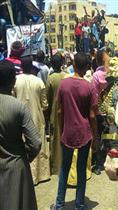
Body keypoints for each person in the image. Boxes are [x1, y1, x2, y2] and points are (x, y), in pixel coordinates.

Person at [51, 53, 97, 210]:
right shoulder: (89, 86)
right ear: (86, 68)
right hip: (84, 133)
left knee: (64, 167)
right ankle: (80, 204)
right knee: (81, 169)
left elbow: (59, 112)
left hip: (68, 132)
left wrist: (61, 128)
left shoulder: (64, 84)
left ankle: (59, 204)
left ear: (74, 65)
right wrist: (95, 136)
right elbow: (92, 115)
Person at [0, 60, 41, 210]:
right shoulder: (18, 107)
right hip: (17, 167)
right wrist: (24, 157)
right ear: (13, 80)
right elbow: (35, 143)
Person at [14, 55, 50, 185]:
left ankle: (26, 175)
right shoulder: (39, 82)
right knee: (38, 144)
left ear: (22, 67)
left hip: (19, 119)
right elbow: (45, 104)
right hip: (37, 118)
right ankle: (41, 175)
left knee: (23, 144)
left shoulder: (16, 80)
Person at [46, 54, 66, 175]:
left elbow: (47, 98)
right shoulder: (66, 76)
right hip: (65, 111)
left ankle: (55, 166)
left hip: (54, 111)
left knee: (55, 138)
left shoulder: (50, 78)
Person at [91, 48, 110, 175]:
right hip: (110, 112)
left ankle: (98, 165)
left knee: (98, 137)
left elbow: (94, 96)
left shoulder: (96, 76)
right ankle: (106, 160)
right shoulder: (110, 73)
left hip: (98, 112)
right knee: (108, 137)